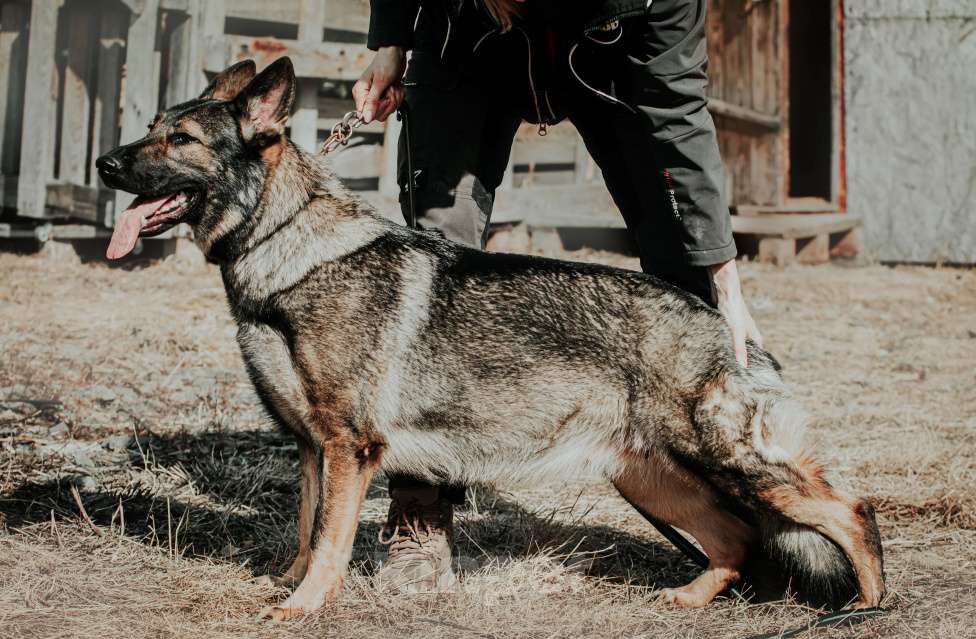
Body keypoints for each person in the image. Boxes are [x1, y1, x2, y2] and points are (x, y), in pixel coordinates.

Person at [352, 0, 762, 593]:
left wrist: (726, 285)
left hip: (609, 55)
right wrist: (391, 45)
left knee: (685, 271)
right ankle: (420, 511)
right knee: (435, 281)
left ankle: (736, 499)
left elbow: (679, 114)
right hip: (462, 44)